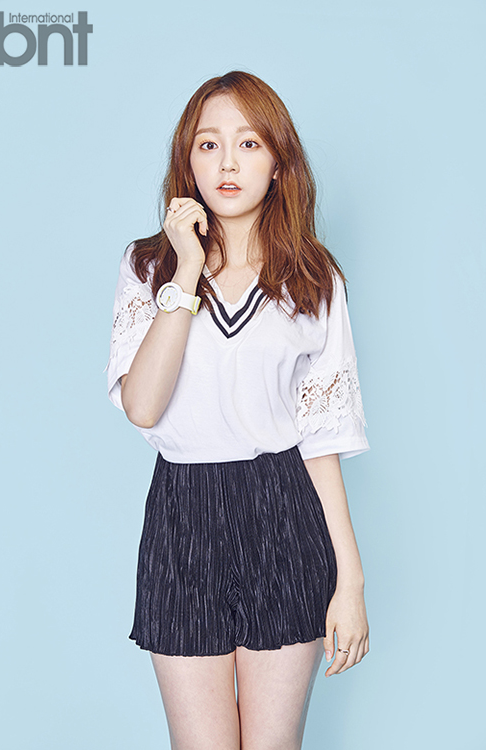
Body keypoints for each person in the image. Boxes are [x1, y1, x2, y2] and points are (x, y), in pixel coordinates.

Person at [106, 70, 370, 750]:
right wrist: (186, 269)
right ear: (187, 161)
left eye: (249, 143)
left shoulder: (313, 280)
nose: (228, 163)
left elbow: (322, 440)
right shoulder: (148, 268)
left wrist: (350, 582)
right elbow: (143, 405)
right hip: (182, 511)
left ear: (278, 163)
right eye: (209, 144)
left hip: (283, 509)